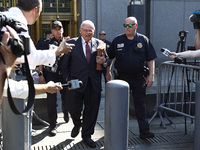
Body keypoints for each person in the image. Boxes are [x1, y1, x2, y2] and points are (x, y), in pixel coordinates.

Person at [1, 0, 74, 98]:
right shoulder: (16, 23)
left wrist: (9, 62)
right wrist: (57, 51)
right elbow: (32, 57)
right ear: (35, 10)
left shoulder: (6, 17)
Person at [106, 16, 157, 139]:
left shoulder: (143, 40)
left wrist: (151, 74)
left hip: (138, 78)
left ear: (136, 26)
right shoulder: (118, 40)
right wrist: (108, 71)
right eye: (125, 26)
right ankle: (117, 131)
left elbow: (150, 58)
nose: (127, 28)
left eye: (130, 25)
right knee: (120, 105)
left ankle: (144, 131)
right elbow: (110, 57)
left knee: (140, 105)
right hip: (121, 78)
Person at [62, 20, 108, 148]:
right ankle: (77, 123)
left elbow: (106, 62)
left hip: (93, 84)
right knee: (73, 108)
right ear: (80, 30)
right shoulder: (71, 43)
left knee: (92, 111)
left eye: (91, 30)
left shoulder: (100, 44)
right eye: (86, 30)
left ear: (94, 32)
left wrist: (104, 61)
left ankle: (87, 135)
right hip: (75, 83)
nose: (88, 33)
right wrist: (67, 79)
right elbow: (64, 66)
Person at [38, 21, 69, 136]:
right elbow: (41, 58)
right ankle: (53, 124)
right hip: (51, 74)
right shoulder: (46, 43)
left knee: (66, 98)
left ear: (63, 30)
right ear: (52, 31)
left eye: (59, 28)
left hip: (64, 75)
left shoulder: (68, 42)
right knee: (51, 101)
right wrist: (40, 75)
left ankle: (66, 112)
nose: (58, 31)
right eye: (55, 29)